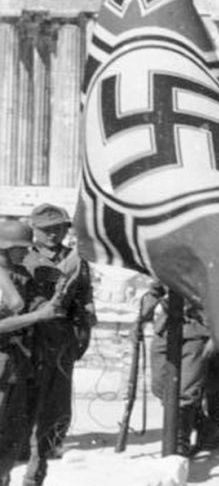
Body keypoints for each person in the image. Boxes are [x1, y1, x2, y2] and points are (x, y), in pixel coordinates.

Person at [22, 204, 95, 486]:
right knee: (22, 402)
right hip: (28, 339)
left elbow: (85, 295)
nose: (53, 235)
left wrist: (85, 328)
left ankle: (41, 460)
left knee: (55, 402)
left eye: (58, 229)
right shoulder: (22, 256)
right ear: (34, 231)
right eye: (46, 230)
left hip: (61, 339)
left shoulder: (76, 259)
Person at [0, 221, 63, 486]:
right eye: (20, 249)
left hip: (17, 365)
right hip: (3, 364)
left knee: (12, 437)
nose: (26, 254)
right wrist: (39, 315)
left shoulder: (15, 273)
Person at [142, 283, 213, 457]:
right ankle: (208, 429)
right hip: (166, 329)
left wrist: (215, 337)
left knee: (184, 392)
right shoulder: (169, 258)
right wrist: (142, 318)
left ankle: (180, 445)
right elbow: (155, 289)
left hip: (196, 331)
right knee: (160, 387)